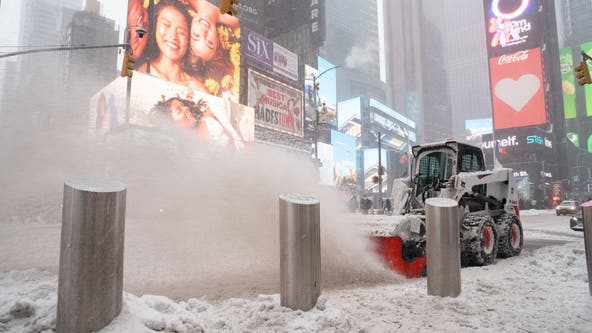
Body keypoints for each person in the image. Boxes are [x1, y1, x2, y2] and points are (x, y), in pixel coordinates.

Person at [138, 0, 208, 92]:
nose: (173, 36)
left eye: (181, 32)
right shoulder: (143, 74)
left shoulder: (198, 90)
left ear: (188, 40)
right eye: (166, 25)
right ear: (154, 26)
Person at [185, 0, 239, 96]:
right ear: (217, 41)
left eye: (196, 35)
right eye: (210, 42)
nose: (204, 31)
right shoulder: (233, 17)